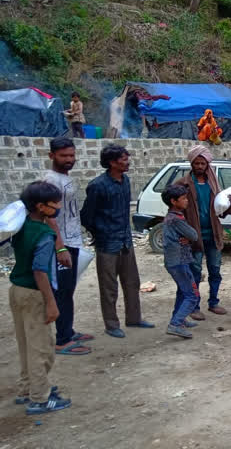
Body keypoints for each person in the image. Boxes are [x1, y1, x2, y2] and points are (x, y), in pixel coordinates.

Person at [10, 181, 73, 414]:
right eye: (54, 203)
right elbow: (40, 270)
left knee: (26, 343)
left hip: (17, 290)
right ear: (41, 206)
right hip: (34, 292)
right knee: (42, 348)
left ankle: (28, 388)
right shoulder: (45, 234)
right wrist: (51, 302)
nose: (58, 206)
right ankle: (40, 398)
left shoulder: (23, 226)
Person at [81, 145, 153, 338]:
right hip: (107, 245)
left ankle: (134, 318)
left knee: (132, 282)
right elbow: (86, 217)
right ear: (112, 162)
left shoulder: (125, 181)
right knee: (109, 287)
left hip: (126, 242)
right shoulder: (97, 186)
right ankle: (111, 324)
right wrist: (101, 233)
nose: (127, 161)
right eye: (123, 158)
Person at [43, 137, 93, 356]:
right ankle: (62, 341)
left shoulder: (64, 177)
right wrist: (60, 246)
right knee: (62, 292)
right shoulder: (50, 180)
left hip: (72, 241)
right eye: (64, 156)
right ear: (51, 155)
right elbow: (49, 217)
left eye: (71, 155)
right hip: (61, 244)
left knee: (68, 290)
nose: (69, 160)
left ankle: (68, 330)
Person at [174, 145, 231, 320]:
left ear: (207, 164)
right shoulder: (182, 185)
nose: (200, 166)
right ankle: (194, 306)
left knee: (215, 270)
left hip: (213, 234)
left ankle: (214, 302)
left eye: (203, 163)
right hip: (194, 237)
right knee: (195, 272)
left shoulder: (213, 183)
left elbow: (221, 211)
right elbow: (175, 211)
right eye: (197, 163)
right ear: (192, 164)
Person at [161, 185, 200, 339]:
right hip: (179, 261)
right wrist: (188, 237)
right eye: (183, 198)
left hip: (176, 260)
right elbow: (194, 235)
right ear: (173, 201)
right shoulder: (176, 219)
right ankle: (175, 324)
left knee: (183, 292)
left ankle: (179, 319)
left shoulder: (172, 217)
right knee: (192, 295)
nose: (186, 201)